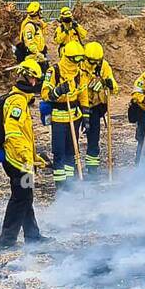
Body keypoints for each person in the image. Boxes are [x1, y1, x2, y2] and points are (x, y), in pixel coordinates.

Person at [0, 59, 45, 248]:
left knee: (26, 195)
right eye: (34, 78)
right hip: (17, 160)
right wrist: (26, 157)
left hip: (23, 159)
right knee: (21, 197)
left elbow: (24, 135)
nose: (35, 83)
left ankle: (33, 236)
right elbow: (13, 132)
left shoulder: (21, 99)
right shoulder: (17, 101)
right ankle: (7, 241)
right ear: (28, 78)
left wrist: (33, 157)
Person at [41, 38, 87, 188]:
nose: (78, 62)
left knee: (71, 151)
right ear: (68, 58)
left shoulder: (80, 73)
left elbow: (83, 94)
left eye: (81, 58)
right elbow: (45, 94)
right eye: (76, 59)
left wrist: (86, 116)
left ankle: (71, 183)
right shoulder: (54, 71)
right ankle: (61, 185)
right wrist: (58, 90)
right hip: (59, 117)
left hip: (74, 117)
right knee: (59, 152)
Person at [82, 41, 117, 175]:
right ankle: (73, 170)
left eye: (97, 61)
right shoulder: (79, 66)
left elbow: (114, 87)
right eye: (91, 62)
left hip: (95, 107)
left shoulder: (104, 66)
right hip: (79, 106)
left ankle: (92, 169)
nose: (94, 65)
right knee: (70, 139)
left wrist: (107, 83)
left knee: (93, 139)